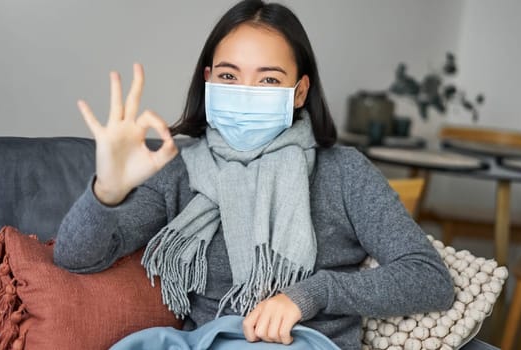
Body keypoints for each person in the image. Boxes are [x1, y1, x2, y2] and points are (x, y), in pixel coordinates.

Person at [53, 1, 455, 348]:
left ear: (298, 92)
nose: (245, 90)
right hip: (205, 341)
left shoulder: (345, 172)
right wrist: (107, 190)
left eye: (268, 79)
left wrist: (309, 294)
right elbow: (75, 258)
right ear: (208, 80)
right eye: (229, 76)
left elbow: (428, 278)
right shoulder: (180, 168)